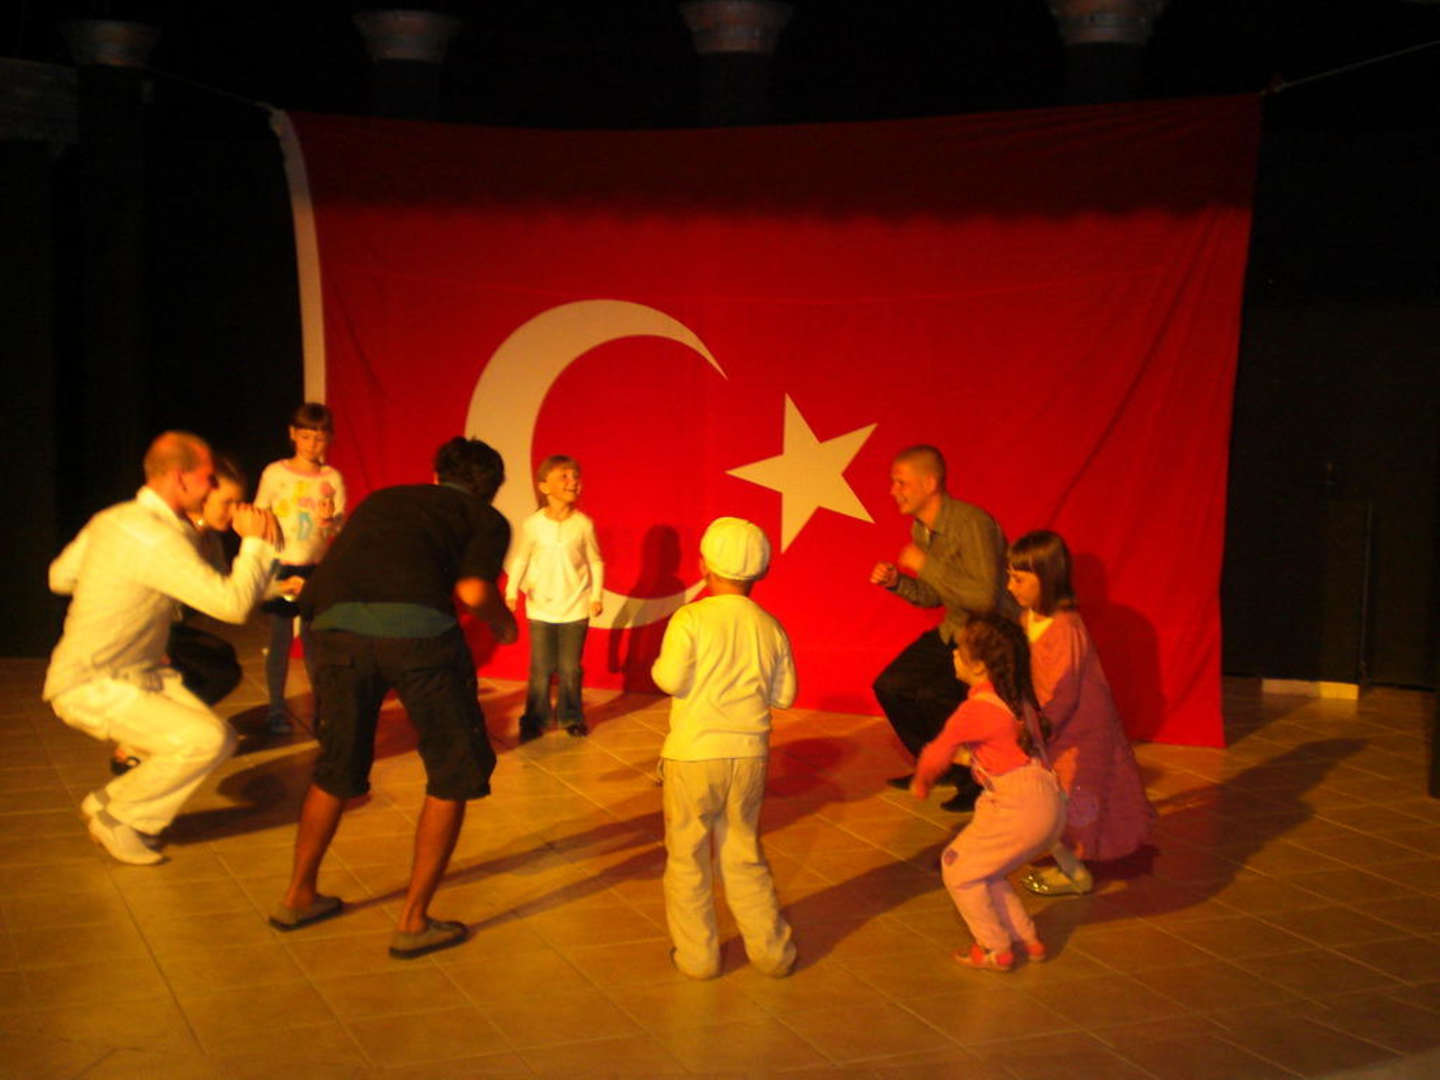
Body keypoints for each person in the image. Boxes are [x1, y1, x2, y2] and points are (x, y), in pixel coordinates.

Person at [271, 437, 517, 960]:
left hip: (333, 630)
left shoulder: (384, 499)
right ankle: (413, 921)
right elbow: (473, 591)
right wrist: (505, 624)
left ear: (436, 474)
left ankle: (298, 896)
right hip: (418, 637)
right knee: (452, 770)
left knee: (335, 766)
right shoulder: (486, 519)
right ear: (492, 488)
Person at [44, 431, 279, 865]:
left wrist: (117, 588)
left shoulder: (114, 519)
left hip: (138, 671)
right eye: (208, 478)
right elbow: (231, 606)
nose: (212, 488)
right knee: (204, 740)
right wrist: (257, 544)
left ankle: (107, 803)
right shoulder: (156, 538)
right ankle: (121, 819)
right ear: (180, 477)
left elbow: (60, 577)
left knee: (220, 738)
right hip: (94, 681)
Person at [652, 517, 798, 980]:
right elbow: (785, 695)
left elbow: (670, 679)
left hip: (693, 754)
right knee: (743, 852)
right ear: (762, 571)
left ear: (704, 566)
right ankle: (773, 953)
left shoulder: (690, 618)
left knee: (687, 857)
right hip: (750, 755)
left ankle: (697, 957)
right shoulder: (770, 626)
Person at [910, 614, 1065, 972]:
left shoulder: (975, 710)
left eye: (959, 650)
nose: (953, 655)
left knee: (958, 869)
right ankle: (1026, 938)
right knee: (986, 872)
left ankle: (994, 947)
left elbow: (937, 751)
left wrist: (923, 779)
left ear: (978, 665)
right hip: (1045, 801)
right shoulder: (1015, 699)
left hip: (1018, 805)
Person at [1005, 530, 1155, 896]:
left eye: (1019, 579)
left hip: (1077, 732)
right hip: (1051, 729)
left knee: (1073, 797)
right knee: (1054, 797)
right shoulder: (1028, 618)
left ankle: (1076, 870)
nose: (1010, 587)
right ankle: (1068, 859)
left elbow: (1064, 693)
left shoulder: (1065, 628)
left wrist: (1034, 731)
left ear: (1047, 579)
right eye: (1010, 577)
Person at [870, 445, 1014, 811]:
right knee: (892, 686)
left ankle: (976, 777)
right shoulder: (922, 529)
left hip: (990, 636)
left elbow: (985, 598)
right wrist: (897, 582)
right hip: (956, 628)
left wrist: (925, 564)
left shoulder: (971, 524)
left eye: (901, 482)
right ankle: (940, 764)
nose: (893, 491)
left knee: (935, 695)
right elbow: (934, 595)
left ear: (929, 483)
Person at [108, 455, 251, 777]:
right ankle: (135, 744)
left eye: (238, 503)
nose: (233, 511)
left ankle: (157, 733)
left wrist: (274, 581)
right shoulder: (172, 535)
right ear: (203, 497)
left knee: (222, 664)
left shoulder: (209, 539)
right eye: (227, 502)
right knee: (206, 671)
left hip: (167, 629)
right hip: (137, 633)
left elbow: (224, 593)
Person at [254, 402, 346, 734]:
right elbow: (259, 512)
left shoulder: (332, 478)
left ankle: (321, 710)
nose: (311, 444)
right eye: (305, 436)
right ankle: (276, 710)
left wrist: (329, 520)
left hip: (314, 568)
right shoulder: (275, 473)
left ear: (329, 439)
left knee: (314, 643)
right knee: (280, 639)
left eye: (319, 438)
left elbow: (338, 525)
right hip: (281, 564)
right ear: (293, 434)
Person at [505, 454, 605, 741]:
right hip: (541, 608)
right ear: (544, 486)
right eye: (564, 476)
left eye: (575, 476)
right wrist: (512, 591)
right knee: (541, 668)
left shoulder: (583, 524)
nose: (572, 482)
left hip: (575, 607)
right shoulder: (533, 524)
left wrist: (596, 595)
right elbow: (521, 559)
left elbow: (595, 561)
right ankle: (534, 718)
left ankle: (571, 717)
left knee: (570, 668)